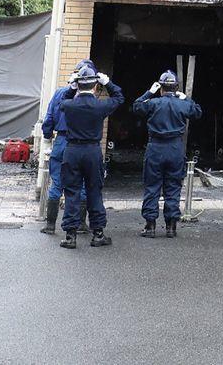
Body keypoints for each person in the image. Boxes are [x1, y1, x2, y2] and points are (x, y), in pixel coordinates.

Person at [57, 63, 124, 249]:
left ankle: (70, 236)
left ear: (78, 85)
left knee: (72, 192)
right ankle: (98, 234)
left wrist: (71, 88)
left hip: (72, 150)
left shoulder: (69, 105)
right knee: (94, 190)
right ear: (95, 86)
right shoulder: (100, 106)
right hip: (92, 151)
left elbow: (62, 101)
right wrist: (108, 83)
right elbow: (119, 97)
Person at [133, 70, 201, 238]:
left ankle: (150, 226)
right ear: (176, 88)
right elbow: (197, 112)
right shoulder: (182, 104)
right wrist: (186, 98)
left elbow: (136, 106)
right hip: (175, 149)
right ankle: (171, 227)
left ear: (161, 88)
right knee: (173, 188)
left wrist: (150, 91)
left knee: (152, 187)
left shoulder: (153, 103)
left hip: (155, 148)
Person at [38, 60, 92, 236]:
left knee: (57, 183)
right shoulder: (90, 100)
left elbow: (49, 119)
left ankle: (50, 225)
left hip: (61, 142)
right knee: (82, 183)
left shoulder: (61, 93)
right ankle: (80, 224)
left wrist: (47, 137)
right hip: (81, 145)